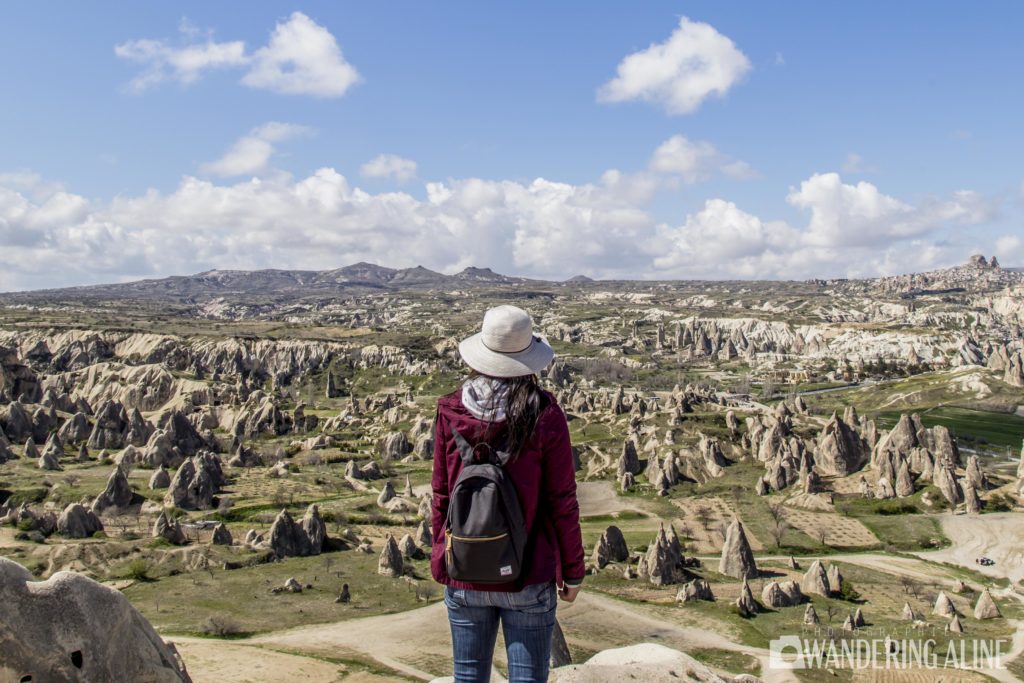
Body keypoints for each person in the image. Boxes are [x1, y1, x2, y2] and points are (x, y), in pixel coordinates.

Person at [431, 304, 585, 683]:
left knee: (468, 676)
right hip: (529, 574)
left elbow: (442, 495)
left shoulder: (451, 411)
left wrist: (441, 556)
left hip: (465, 571)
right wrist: (573, 571)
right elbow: (562, 501)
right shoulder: (545, 414)